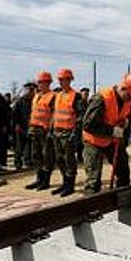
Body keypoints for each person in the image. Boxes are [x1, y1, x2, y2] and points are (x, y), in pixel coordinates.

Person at [82, 72, 131, 194]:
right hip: (93, 141)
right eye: (130, 96)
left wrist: (126, 122)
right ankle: (90, 209)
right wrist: (112, 131)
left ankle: (121, 201)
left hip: (113, 141)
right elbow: (88, 125)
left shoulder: (129, 100)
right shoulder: (101, 98)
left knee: (123, 173)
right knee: (93, 182)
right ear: (123, 88)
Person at [51, 69, 84, 197]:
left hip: (68, 133)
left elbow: (81, 116)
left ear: (69, 80)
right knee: (59, 159)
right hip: (57, 132)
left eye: (62, 80)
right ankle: (64, 183)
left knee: (69, 159)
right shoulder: (58, 95)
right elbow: (55, 113)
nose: (60, 82)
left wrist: (75, 133)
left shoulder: (76, 96)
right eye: (59, 80)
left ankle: (70, 185)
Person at [25, 72, 56, 191]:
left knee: (47, 156)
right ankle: (39, 178)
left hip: (45, 130)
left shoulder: (52, 96)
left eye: (41, 82)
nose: (39, 84)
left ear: (47, 83)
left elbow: (54, 114)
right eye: (38, 82)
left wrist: (50, 130)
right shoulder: (37, 96)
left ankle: (46, 181)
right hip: (35, 129)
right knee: (36, 155)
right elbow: (34, 112)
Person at [13, 82, 36, 169]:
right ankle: (17, 163)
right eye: (29, 90)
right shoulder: (19, 101)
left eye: (32, 90)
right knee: (19, 146)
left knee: (28, 145)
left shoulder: (34, 101)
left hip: (30, 126)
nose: (30, 92)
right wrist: (16, 124)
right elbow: (15, 114)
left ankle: (28, 161)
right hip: (21, 126)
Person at [76, 87, 90, 163]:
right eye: (85, 94)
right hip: (78, 125)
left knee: (83, 142)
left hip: (85, 126)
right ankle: (79, 157)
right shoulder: (79, 103)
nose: (86, 95)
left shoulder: (88, 103)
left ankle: (81, 157)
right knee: (79, 142)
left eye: (87, 94)